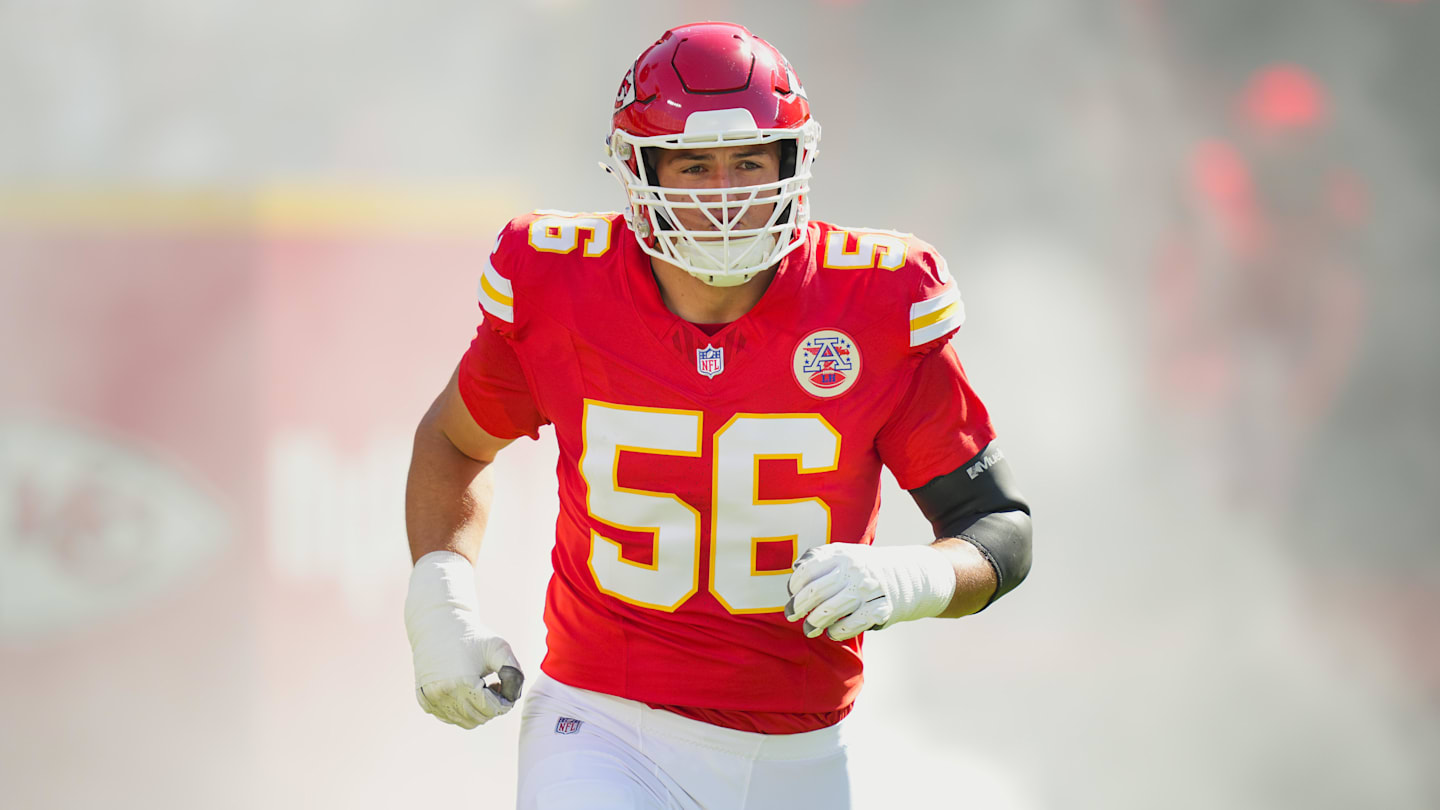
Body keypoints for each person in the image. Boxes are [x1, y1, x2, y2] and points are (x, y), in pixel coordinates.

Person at [403, 21, 1032, 810]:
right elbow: (456, 442)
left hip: (801, 752)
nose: (724, 195)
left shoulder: (875, 303)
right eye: (694, 165)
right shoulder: (563, 285)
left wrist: (916, 577)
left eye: (747, 162)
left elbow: (998, 528)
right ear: (639, 171)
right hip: (602, 727)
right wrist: (440, 600)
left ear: (792, 162)